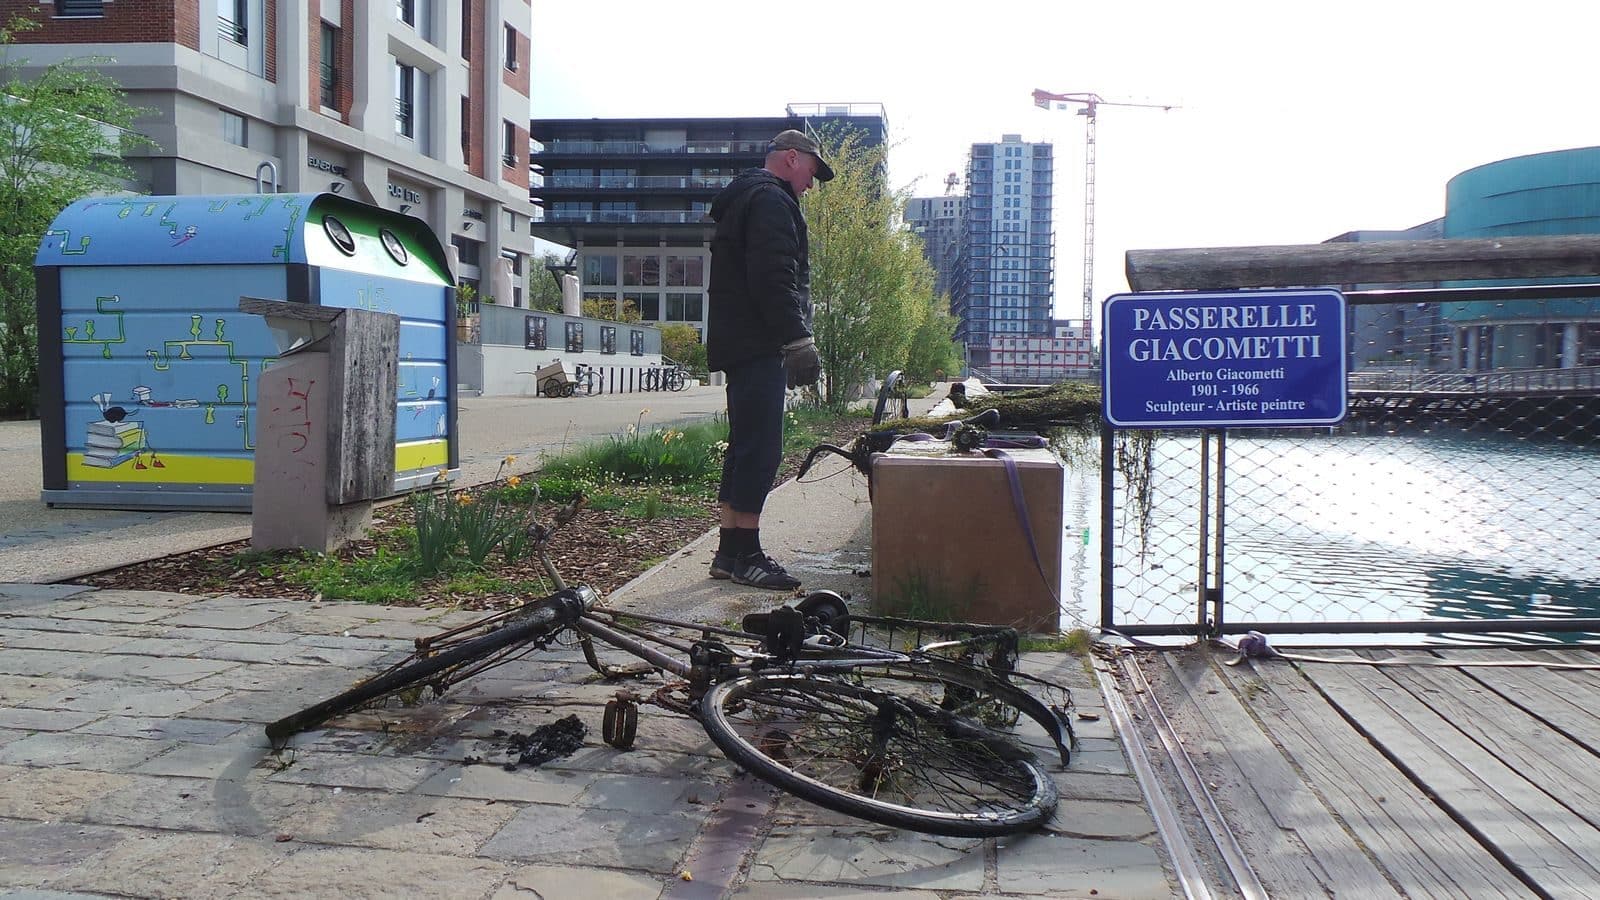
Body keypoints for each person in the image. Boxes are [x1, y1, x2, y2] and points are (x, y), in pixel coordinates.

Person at [704, 129, 834, 589]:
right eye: (813, 173)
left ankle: (728, 552)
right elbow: (774, 278)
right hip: (759, 343)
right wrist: (797, 340)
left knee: (744, 446)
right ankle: (748, 555)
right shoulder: (772, 202)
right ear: (793, 159)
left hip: (739, 340)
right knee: (762, 449)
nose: (812, 185)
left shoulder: (744, 198)